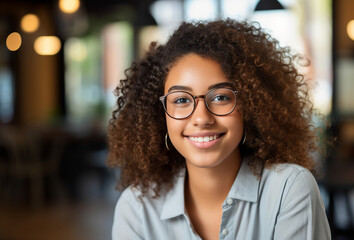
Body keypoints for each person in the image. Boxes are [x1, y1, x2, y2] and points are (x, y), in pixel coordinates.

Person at [107, 19, 331, 240]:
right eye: (181, 100)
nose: (202, 118)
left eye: (221, 97)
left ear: (251, 106)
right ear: (160, 115)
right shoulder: (137, 208)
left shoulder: (288, 190)